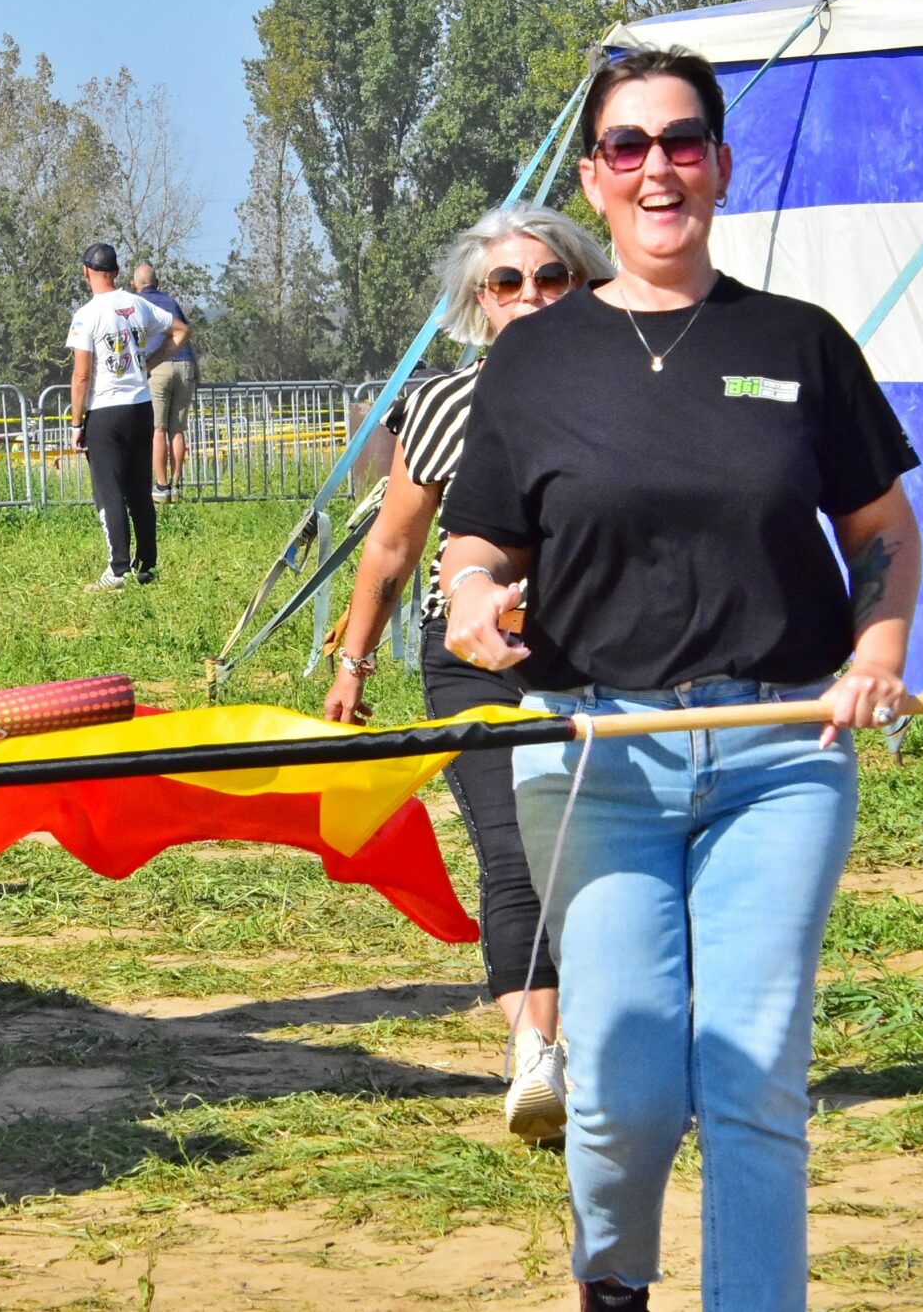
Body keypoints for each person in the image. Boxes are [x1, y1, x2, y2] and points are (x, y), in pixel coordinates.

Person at [438, 47, 923, 1312]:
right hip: (593, 755)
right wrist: (474, 596)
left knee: (753, 1071)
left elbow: (879, 528)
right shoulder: (533, 360)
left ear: (720, 163)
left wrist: (876, 652)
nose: (657, 167)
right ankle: (612, 1281)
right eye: (628, 145)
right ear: (592, 177)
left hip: (779, 752)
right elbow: (477, 538)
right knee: (630, 1082)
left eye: (682, 141)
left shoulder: (798, 342)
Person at [320, 204, 611, 1146]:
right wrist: (353, 662)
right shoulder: (444, 406)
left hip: (603, 657)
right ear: (479, 302)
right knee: (512, 846)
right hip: (473, 660)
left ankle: (620, 1043)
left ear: (585, 284)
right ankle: (536, 1054)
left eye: (552, 278)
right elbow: (392, 547)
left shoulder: (631, 388)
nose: (531, 296)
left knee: (603, 849)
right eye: (507, 282)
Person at [66, 243, 184, 590]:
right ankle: (146, 565)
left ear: (86, 272)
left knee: (109, 492)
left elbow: (82, 376)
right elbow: (180, 331)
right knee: (139, 491)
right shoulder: (138, 304)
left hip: (106, 411)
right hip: (141, 407)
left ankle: (117, 570)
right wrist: (148, 363)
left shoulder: (86, 314)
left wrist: (76, 424)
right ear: (116, 272)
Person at [129, 263, 199, 502]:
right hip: (185, 365)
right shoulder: (171, 302)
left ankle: (161, 486)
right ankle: (177, 485)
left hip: (158, 366)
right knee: (177, 429)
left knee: (158, 429)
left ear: (134, 285)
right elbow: (184, 333)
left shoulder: (137, 304)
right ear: (158, 283)